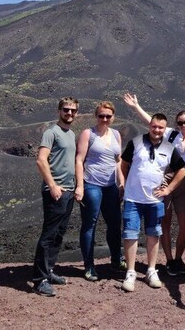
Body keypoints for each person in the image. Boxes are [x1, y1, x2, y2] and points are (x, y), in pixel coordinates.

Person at [122, 92, 185, 276]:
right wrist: (136, 106)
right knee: (165, 221)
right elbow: (153, 123)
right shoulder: (172, 135)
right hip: (167, 178)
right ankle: (169, 260)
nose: (183, 125)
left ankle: (178, 259)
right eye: (180, 122)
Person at [31, 97, 79, 297]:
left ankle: (49, 271)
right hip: (56, 191)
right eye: (66, 110)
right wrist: (52, 186)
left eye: (73, 111)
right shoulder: (51, 133)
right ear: (59, 111)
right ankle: (39, 279)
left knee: (59, 233)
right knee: (49, 234)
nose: (69, 113)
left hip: (68, 189)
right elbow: (41, 160)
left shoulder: (71, 133)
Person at [74, 101, 124, 282]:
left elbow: (117, 160)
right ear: (96, 116)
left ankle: (116, 260)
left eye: (108, 116)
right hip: (91, 184)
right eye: (101, 115)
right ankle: (89, 266)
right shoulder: (89, 134)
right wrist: (79, 186)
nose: (104, 119)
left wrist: (121, 183)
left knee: (114, 224)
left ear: (113, 117)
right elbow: (79, 160)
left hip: (111, 186)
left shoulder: (117, 135)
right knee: (90, 224)